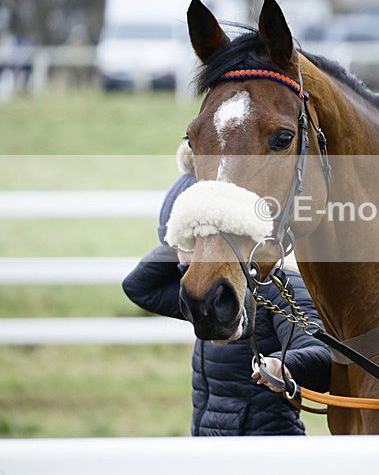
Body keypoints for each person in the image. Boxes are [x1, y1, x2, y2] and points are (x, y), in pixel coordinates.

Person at [122, 143, 332, 436]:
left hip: (266, 446)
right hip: (211, 444)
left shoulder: (280, 286)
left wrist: (284, 365)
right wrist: (180, 235)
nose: (184, 258)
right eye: (181, 246)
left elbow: (321, 352)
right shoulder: (206, 298)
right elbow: (139, 287)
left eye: (193, 244)